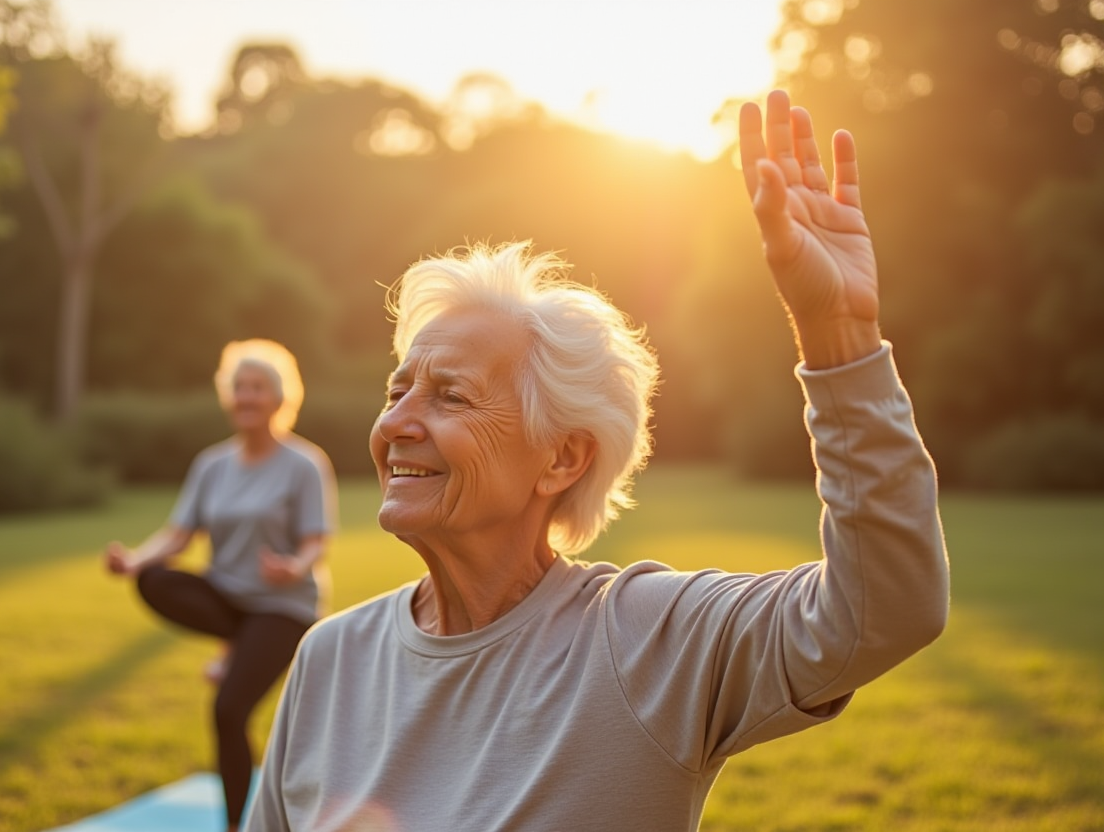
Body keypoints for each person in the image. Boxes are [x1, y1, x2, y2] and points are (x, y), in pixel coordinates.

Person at [243, 90, 950, 831]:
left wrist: (838, 335)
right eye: (397, 390)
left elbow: (883, 609)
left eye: (451, 396)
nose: (395, 423)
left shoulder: (643, 641)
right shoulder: (330, 658)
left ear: (563, 459)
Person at [105, 338, 335, 832]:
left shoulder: (304, 463)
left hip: (282, 604)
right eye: (239, 387)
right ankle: (235, 640)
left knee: (228, 709)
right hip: (228, 596)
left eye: (257, 387)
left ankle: (236, 826)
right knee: (153, 580)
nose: (246, 396)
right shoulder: (211, 464)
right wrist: (133, 559)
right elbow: (179, 534)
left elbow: (316, 541)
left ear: (278, 397)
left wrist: (294, 567)